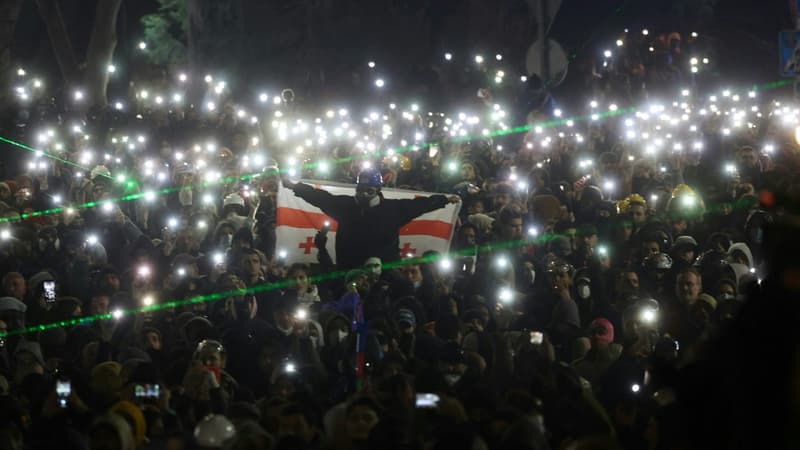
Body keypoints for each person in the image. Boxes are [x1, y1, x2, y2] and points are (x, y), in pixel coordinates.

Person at [283, 168, 459, 269]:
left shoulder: (393, 209)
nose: (363, 195)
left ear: (378, 190)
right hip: (349, 271)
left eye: (369, 190)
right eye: (360, 189)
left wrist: (443, 200)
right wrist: (294, 186)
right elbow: (319, 196)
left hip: (385, 273)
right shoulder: (346, 206)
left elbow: (421, 205)